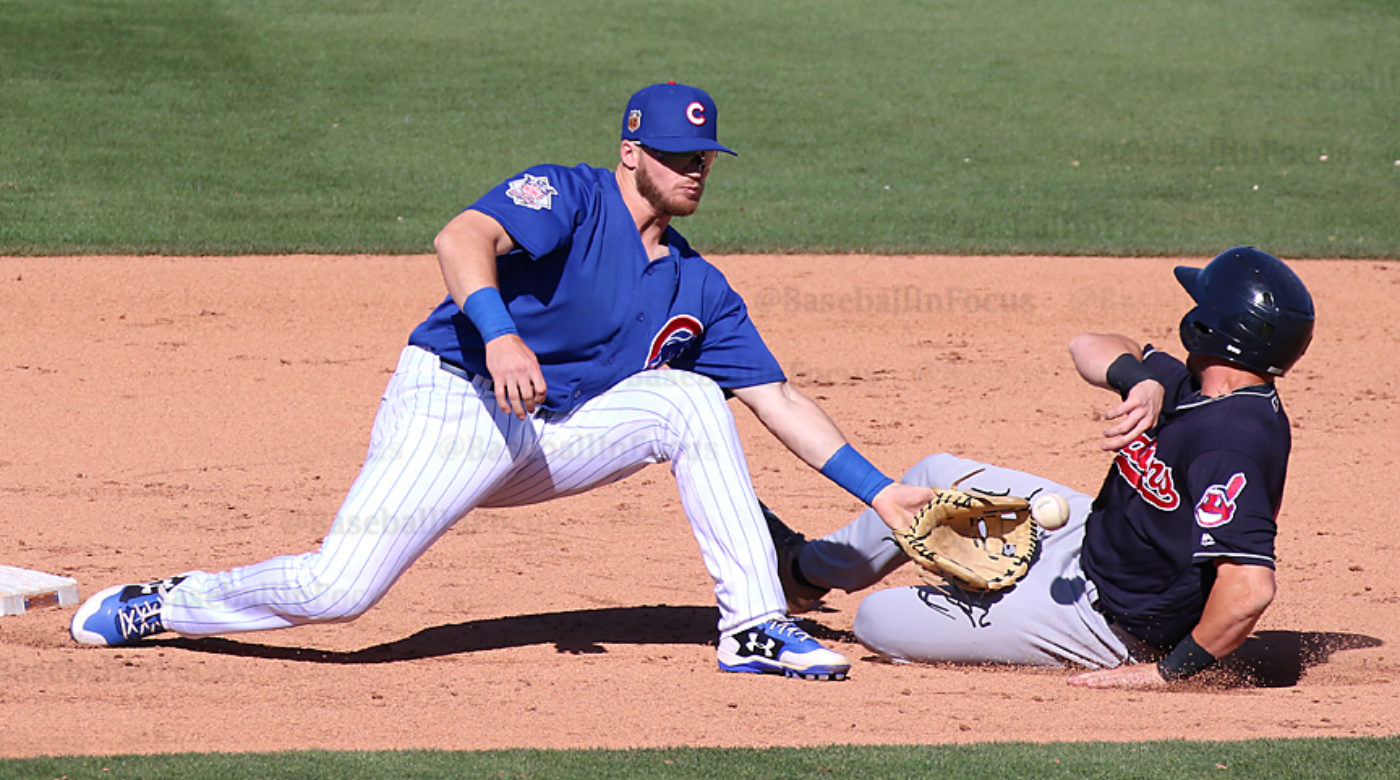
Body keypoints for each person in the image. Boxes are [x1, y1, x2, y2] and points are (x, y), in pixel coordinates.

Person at [69, 82, 932, 681]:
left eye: (704, 156)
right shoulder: (570, 195)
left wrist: (882, 490)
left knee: (693, 397)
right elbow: (459, 239)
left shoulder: (698, 284)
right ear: (631, 152)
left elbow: (776, 398)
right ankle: (169, 604)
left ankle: (752, 628)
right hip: (456, 402)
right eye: (675, 154)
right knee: (339, 593)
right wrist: (501, 334)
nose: (693, 169)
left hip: (548, 435)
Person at [766, 246, 1315, 687]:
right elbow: (1088, 345)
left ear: (1207, 328)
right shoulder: (1194, 384)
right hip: (1085, 535)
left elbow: (1248, 589)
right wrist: (1138, 377)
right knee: (932, 473)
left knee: (876, 620)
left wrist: (1167, 674)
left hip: (1109, 622)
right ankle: (803, 574)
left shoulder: (1232, 445)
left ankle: (991, 613)